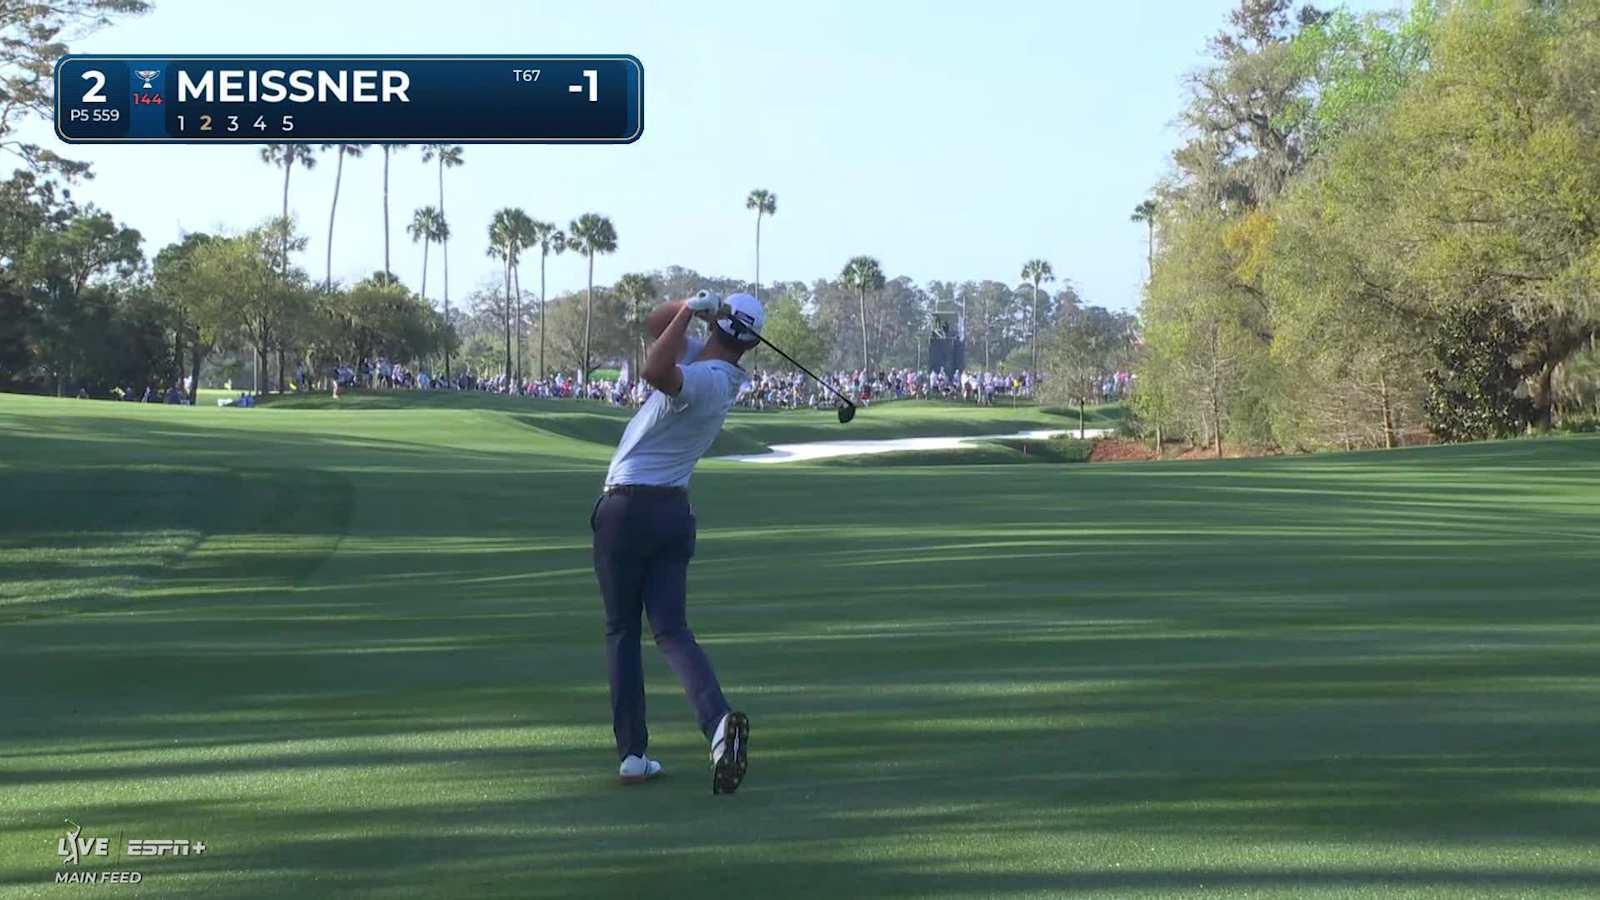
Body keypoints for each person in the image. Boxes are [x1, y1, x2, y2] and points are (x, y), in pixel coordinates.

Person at [590, 289, 760, 794]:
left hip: (628, 509)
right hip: (671, 513)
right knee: (670, 631)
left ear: (719, 331)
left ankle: (633, 755)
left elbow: (652, 371)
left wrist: (689, 311)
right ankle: (717, 726)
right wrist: (691, 306)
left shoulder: (704, 378)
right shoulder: (719, 369)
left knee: (622, 631)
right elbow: (654, 325)